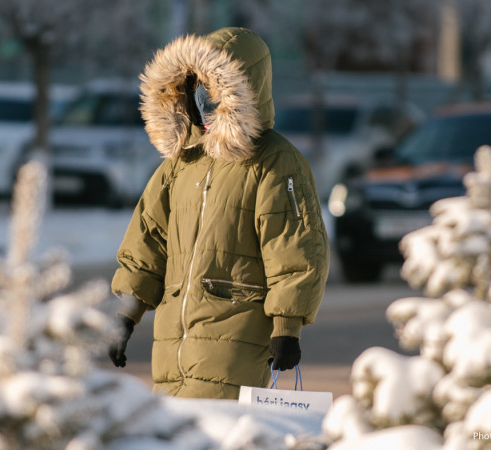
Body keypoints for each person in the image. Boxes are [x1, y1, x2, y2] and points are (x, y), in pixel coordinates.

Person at [109, 27, 329, 399]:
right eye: (197, 87)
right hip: (170, 349)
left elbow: (294, 247)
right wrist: (124, 317)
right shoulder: (181, 163)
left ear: (243, 90)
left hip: (236, 344)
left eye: (215, 89)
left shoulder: (273, 162)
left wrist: (287, 327)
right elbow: (148, 243)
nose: (204, 99)